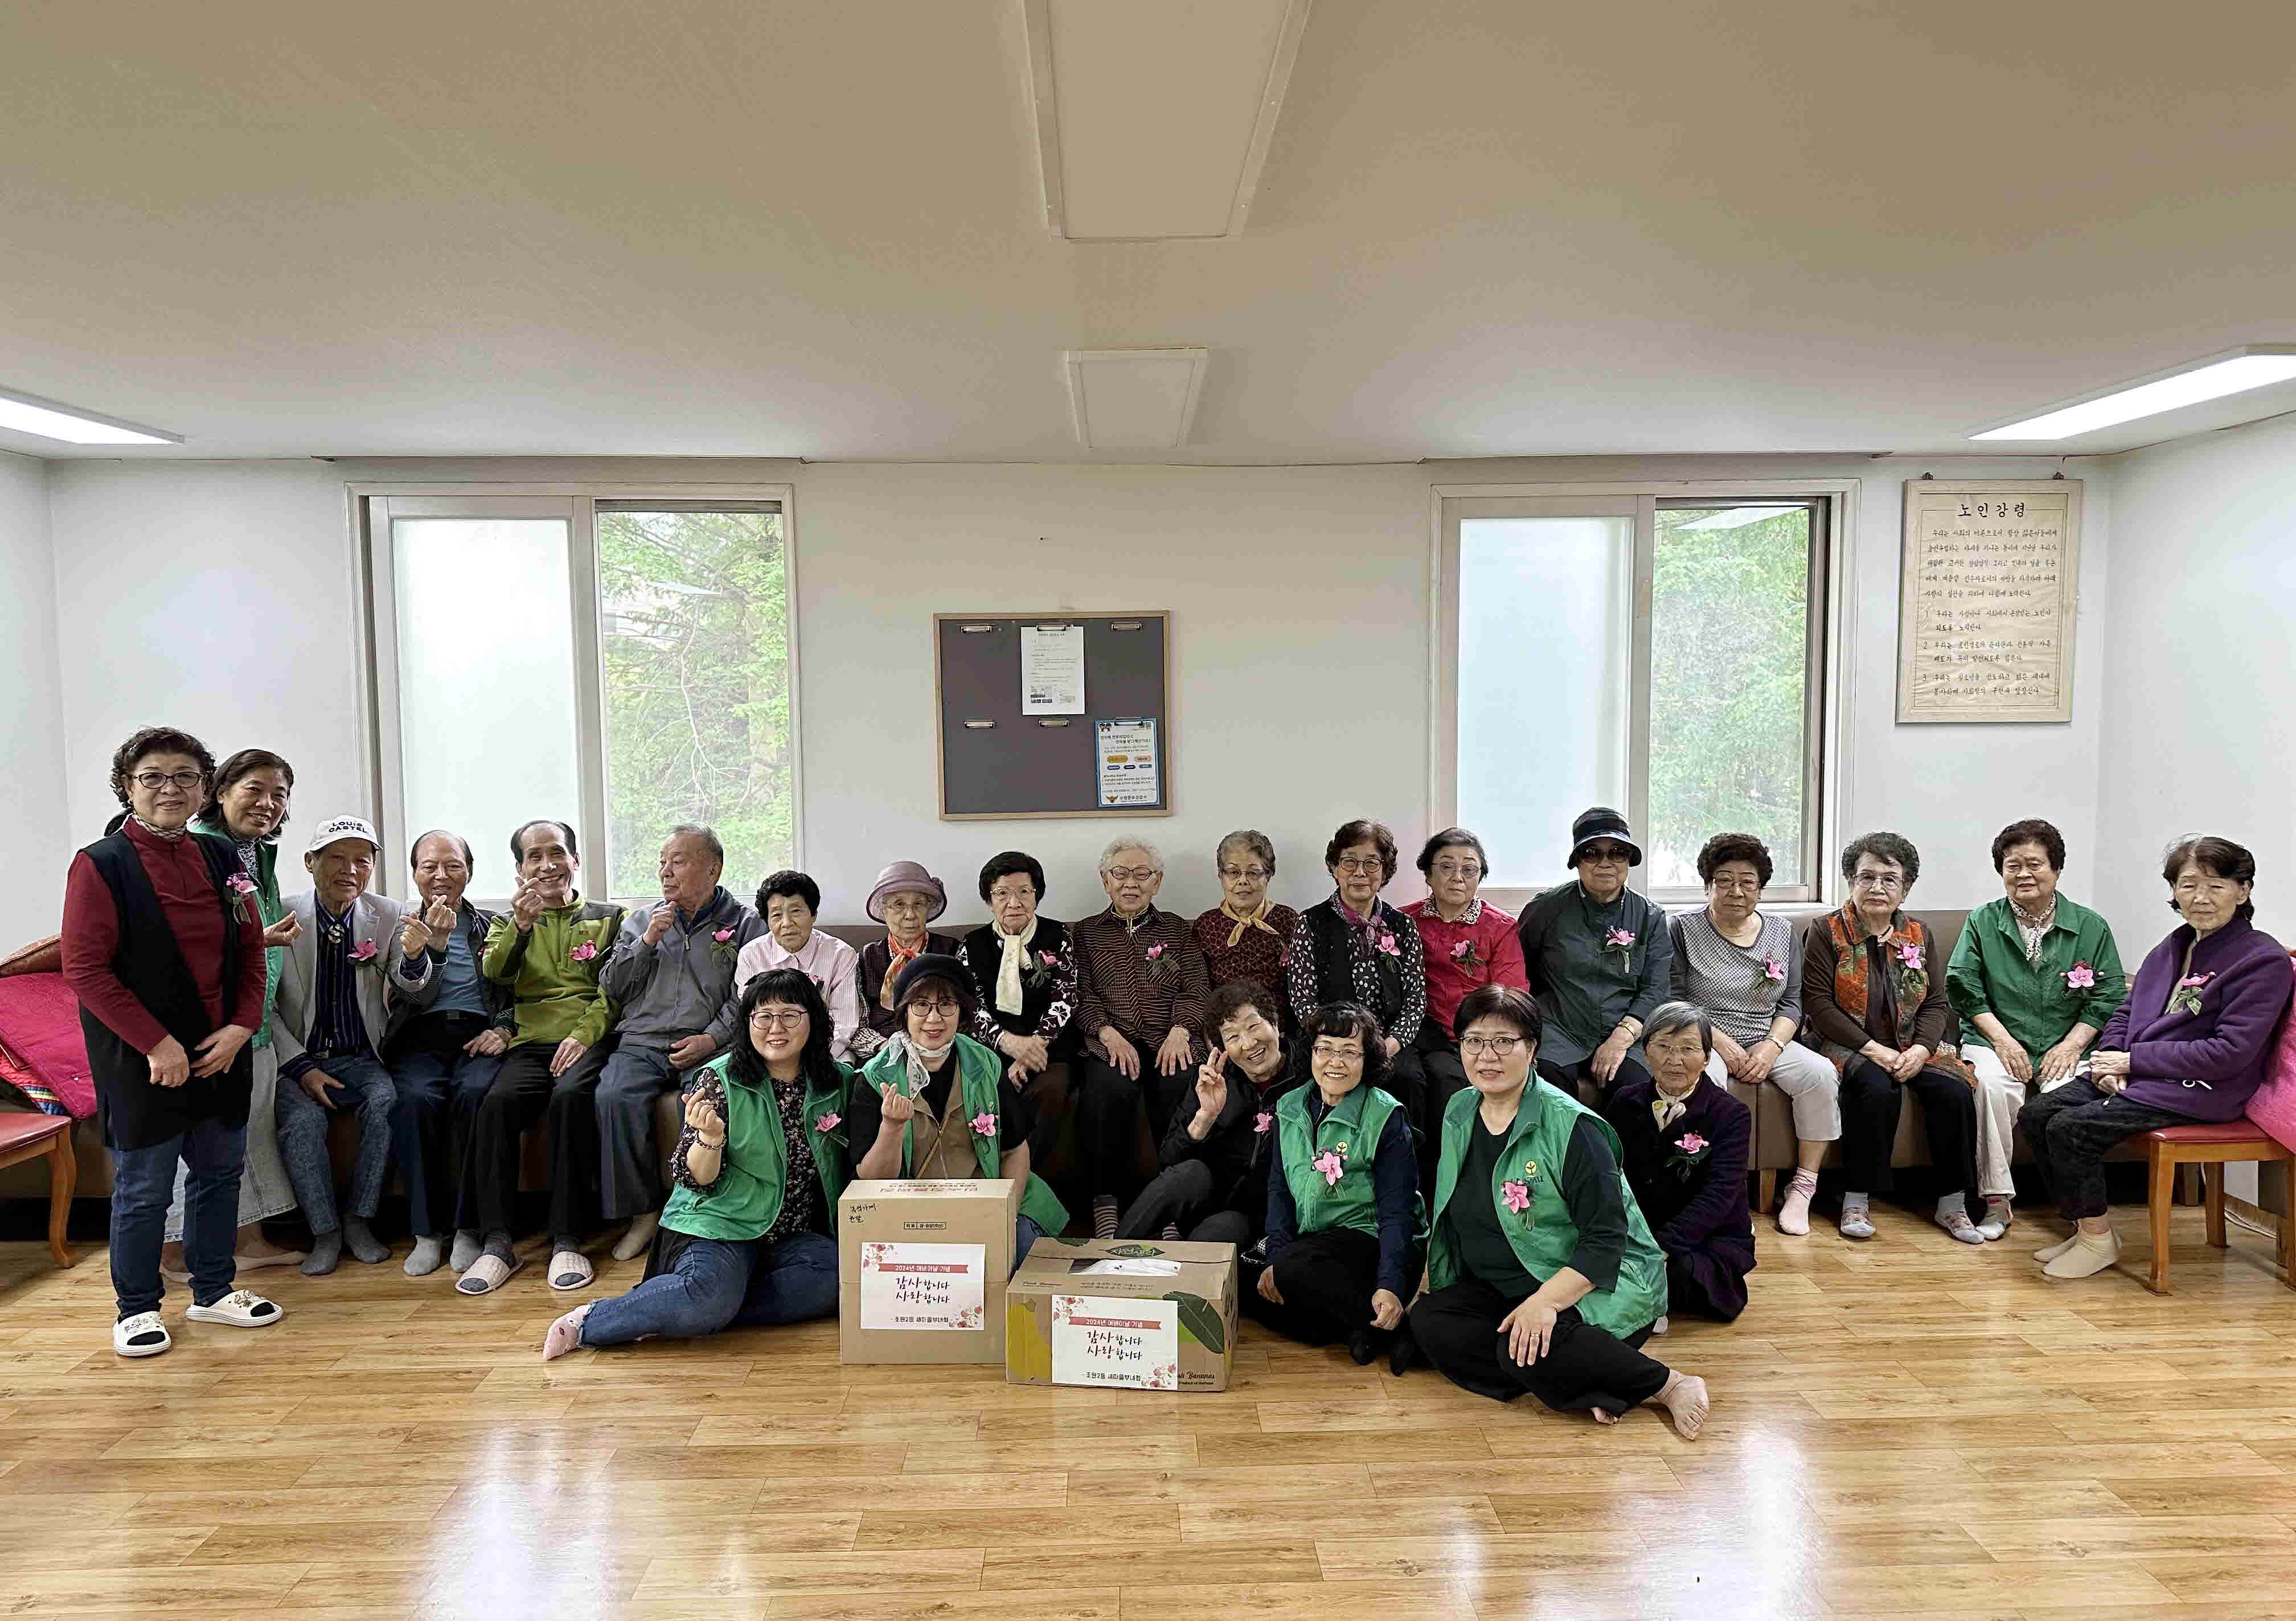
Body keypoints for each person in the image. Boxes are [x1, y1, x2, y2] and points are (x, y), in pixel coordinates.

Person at [62, 726, 284, 1357]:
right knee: (145, 1187)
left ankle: (214, 1291)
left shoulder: (221, 858)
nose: (170, 788)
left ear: (203, 788)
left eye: (185, 776)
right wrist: (157, 1043)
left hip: (220, 1045)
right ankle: (135, 1307)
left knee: (219, 1174)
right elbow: (85, 969)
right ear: (127, 787)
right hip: (143, 1054)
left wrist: (242, 1026)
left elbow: (249, 949)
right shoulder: (100, 862)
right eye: (153, 776)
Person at [1409, 985, 1708, 1436]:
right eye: (1474, 1041)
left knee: (1518, 1349)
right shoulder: (1459, 1107)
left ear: (1532, 1048)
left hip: (1584, 1286)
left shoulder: (1573, 1126)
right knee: (1430, 1321)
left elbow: (1606, 1240)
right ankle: (1587, 1380)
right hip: (1502, 1286)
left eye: (1504, 1042)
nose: (1487, 1056)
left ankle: (1666, 1384)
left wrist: (1545, 1302)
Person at [2019, 835, 2294, 1280]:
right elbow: (2126, 1011)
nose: (2200, 898)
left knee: (2072, 1129)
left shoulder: (2262, 960)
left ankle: (2097, 1241)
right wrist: (2110, 1057)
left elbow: (2230, 1053)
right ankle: (2088, 1228)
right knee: (2037, 1114)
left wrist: (2132, 1063)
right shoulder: (2175, 944)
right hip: (2142, 1072)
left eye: (2216, 886)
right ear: (2174, 892)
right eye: (2188, 886)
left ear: (2243, 891)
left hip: (2203, 1089)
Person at [541, 971, 851, 1357]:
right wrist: (710, 1139)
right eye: (763, 1016)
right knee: (708, 1297)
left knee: (839, 1280)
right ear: (747, 1023)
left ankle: (689, 1307)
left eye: (790, 1015)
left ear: (813, 1021)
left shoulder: (836, 1082)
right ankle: (594, 1320)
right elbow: (696, 1180)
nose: (776, 1028)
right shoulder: (720, 1079)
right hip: (720, 1225)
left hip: (790, 1233)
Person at [457, 820, 624, 1296]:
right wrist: (523, 926)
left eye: (557, 854)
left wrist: (584, 1035)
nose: (548, 865)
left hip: (586, 1039)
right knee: (495, 1106)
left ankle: (567, 1238)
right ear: (520, 870)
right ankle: (497, 1244)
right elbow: (497, 974)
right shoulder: (507, 923)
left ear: (575, 861)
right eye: (535, 857)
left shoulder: (609, 917)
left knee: (570, 1099)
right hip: (529, 1042)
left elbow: (614, 992)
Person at [1947, 818, 2129, 1242]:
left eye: (2035, 864)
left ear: (2057, 870)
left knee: (2064, 1102)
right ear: (2002, 871)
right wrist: (2003, 1040)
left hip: (2066, 1041)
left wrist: (2072, 1044)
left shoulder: (2090, 925)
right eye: (2013, 865)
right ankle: (1996, 1202)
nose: (2024, 874)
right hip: (1995, 1039)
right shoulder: (1982, 921)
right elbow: (1963, 987)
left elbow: (2108, 995)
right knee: (1991, 1085)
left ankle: (2077, 1211)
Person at [159, 748, 303, 1278]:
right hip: (211, 1023)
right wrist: (255, 942)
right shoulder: (199, 849)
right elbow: (185, 940)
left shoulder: (255, 852)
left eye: (279, 795)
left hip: (253, 1019)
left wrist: (259, 944)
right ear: (220, 792)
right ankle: (173, 1250)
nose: (268, 804)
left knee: (250, 1134)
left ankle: (250, 1238)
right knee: (201, 1143)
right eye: (255, 790)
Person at [594, 825, 764, 1266]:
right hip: (643, 1042)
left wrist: (712, 1037)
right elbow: (612, 987)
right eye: (662, 863)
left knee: (714, 1100)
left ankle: (703, 1210)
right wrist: (648, 941)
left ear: (714, 868)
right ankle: (644, 1215)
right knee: (613, 1095)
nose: (666, 873)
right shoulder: (639, 920)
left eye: (679, 862)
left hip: (710, 1044)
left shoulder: (745, 924)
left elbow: (749, 996)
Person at [1805, 832, 1983, 1244]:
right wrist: (1875, 1051)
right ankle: (1855, 1199)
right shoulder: (1825, 931)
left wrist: (1922, 1049)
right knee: (1874, 1086)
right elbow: (1818, 1005)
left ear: (1905, 889)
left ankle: (1953, 1205)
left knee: (1953, 1091)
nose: (1877, 888)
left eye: (1890, 879)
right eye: (1866, 877)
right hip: (1846, 1044)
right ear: (1850, 881)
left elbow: (1938, 1003)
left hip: (1912, 1046)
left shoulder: (1919, 934)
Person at [271, 814, 431, 1275]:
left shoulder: (390, 914)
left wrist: (419, 955)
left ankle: (359, 1220)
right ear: (310, 862)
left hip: (362, 1056)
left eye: (362, 860)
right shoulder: (280, 915)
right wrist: (301, 1067)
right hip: (298, 1056)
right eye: (336, 858)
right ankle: (324, 1232)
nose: (350, 870)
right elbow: (266, 1006)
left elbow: (410, 988)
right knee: (301, 1122)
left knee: (387, 1102)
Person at [841, 954, 1068, 1266]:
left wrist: (1004, 1215)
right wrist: (892, 1127)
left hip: (985, 1202)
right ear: (904, 1012)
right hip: (915, 1215)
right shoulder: (875, 1077)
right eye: (921, 1005)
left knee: (1019, 1256)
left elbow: (1014, 1150)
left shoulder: (986, 1064)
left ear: (961, 1012)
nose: (934, 1019)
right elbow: (870, 1182)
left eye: (946, 1005)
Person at [1667, 832, 1839, 1235]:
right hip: (1702, 1036)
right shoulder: (1681, 929)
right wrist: (1719, 1042)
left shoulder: (1782, 931)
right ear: (1707, 886)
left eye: (1748, 882)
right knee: (1703, 1080)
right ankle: (1709, 1188)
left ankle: (1802, 1188)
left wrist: (1772, 1046)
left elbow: (1792, 1003)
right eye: (1724, 880)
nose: (1736, 891)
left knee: (1821, 1075)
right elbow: (1673, 997)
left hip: (1768, 1036)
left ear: (1761, 889)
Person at [1254, 1002, 1425, 1366]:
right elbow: (1279, 1191)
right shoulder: (1288, 1107)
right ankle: (1361, 1328)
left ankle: (1391, 1320)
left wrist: (1391, 1285)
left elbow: (1397, 1215)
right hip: (1313, 1245)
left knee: (1291, 1274)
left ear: (1367, 1061)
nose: (1336, 1062)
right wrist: (1274, 1259)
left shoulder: (1386, 1116)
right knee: (1248, 1274)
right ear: (1311, 1054)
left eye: (1350, 1052)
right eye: (1325, 1050)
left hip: (1372, 1243)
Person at [384, 829, 517, 1277]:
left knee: (475, 1096)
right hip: (420, 1036)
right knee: (415, 1101)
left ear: (470, 871)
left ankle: (466, 1228)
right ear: (415, 874)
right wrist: (430, 950)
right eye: (429, 867)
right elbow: (408, 998)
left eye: (453, 865)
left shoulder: (492, 925)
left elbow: (517, 988)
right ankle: (426, 1232)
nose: (441, 875)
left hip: (478, 1035)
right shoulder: (400, 926)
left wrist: (505, 1028)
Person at [1072, 838, 1212, 1235]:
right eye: (1120, 873)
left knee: (1182, 1084)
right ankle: (1105, 1202)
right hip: (1111, 1041)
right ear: (1105, 880)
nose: (1130, 883)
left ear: (1158, 881)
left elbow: (1197, 987)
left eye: (1141, 874)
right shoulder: (1085, 934)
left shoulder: (1178, 930)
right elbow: (1080, 992)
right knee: (1105, 1090)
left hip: (1172, 1039)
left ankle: (1170, 1207)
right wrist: (1106, 1031)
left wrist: (1182, 1030)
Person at [1117, 979, 1306, 1245]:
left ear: (1275, 1024)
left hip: (1259, 1216)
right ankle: (1108, 1257)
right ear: (1222, 1049)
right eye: (1233, 1037)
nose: (1249, 1043)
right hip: (1209, 1198)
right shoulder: (1213, 1079)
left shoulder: (1308, 1077)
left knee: (1223, 1227)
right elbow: (1169, 1163)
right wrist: (1204, 1118)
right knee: (1190, 1172)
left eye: (1254, 1026)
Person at [1605, 1004, 1756, 1323]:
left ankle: (1647, 1293)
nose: (1674, 1060)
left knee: (1686, 1276)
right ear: (1646, 1053)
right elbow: (1611, 1177)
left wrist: (1660, 1249)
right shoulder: (1623, 1102)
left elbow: (1719, 1197)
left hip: (1703, 1237)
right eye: (1663, 1047)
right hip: (1639, 1231)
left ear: (1706, 1058)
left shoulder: (1731, 1114)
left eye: (1688, 1049)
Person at [1287, 821, 1430, 1148]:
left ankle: (1409, 1173)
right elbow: (1302, 998)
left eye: (1371, 863)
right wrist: (1340, 1046)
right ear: (1335, 868)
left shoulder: (1402, 925)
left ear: (1385, 871)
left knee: (1409, 1080)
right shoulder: (1310, 923)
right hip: (1330, 1040)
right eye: (1349, 861)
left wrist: (1388, 1046)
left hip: (1388, 1042)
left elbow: (1415, 1000)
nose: (1360, 873)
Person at [1516, 807, 1674, 1104]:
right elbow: (1522, 971)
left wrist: (1621, 1038)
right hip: (1560, 1028)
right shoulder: (1546, 909)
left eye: (1616, 853)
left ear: (1629, 861)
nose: (1605, 863)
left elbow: (1655, 990)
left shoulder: (1651, 917)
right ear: (1577, 861)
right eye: (1592, 853)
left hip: (1627, 1031)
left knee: (1637, 1097)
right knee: (1548, 1091)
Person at [1402, 826, 1527, 1170]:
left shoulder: (1499, 927)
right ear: (1428, 873)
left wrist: (1480, 1038)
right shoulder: (1404, 920)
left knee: (1450, 1080)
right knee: (1417, 1078)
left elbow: (1510, 995)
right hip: (1420, 1032)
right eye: (1446, 866)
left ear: (1480, 876)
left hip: (1476, 1034)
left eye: (1469, 868)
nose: (1458, 877)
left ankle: (1461, 1174)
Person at [960, 851, 1078, 1086]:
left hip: (1048, 1047)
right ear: (989, 900)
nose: (1014, 903)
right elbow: (970, 1006)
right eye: (1002, 893)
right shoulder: (972, 944)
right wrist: (1008, 1043)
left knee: (1051, 1088)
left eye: (1024, 892)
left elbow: (1065, 998)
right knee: (993, 1085)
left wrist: (1030, 1050)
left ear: (1036, 896)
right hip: (992, 1047)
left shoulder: (1058, 935)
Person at [735, 869, 862, 1061]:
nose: (787, 923)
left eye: (796, 911)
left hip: (826, 1053)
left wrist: (809, 1061)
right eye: (777, 915)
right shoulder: (751, 956)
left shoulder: (841, 955)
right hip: (769, 1051)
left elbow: (844, 1023)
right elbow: (751, 1019)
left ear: (813, 914)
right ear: (767, 920)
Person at [1191, 830, 1299, 1032]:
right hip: (1226, 1032)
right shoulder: (1206, 925)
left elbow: (1300, 986)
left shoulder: (1288, 919)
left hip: (1279, 1032)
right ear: (1221, 876)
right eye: (1233, 873)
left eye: (1253, 873)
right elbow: (1198, 989)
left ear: (1268, 876)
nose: (1242, 881)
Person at [853, 861, 961, 1062]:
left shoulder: (952, 950)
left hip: (940, 1049)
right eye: (899, 905)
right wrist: (886, 1046)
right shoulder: (865, 957)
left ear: (928, 909)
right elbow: (856, 1026)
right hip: (884, 1051)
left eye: (918, 904)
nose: (910, 915)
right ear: (883, 910)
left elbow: (964, 1012)